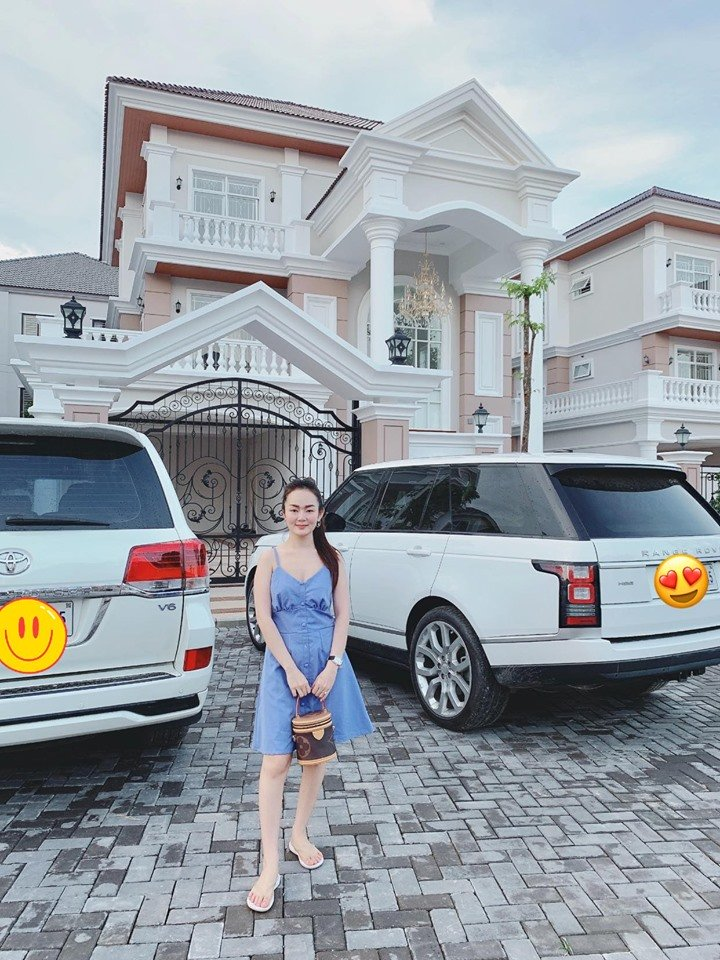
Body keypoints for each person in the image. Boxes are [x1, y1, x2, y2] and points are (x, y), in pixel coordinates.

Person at [247, 477, 374, 912]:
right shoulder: (269, 558)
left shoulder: (333, 558)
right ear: (283, 512)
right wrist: (289, 668)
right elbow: (264, 619)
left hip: (324, 667)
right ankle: (269, 863)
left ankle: (299, 833)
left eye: (309, 509)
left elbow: (343, 615)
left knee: (315, 754)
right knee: (276, 761)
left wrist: (332, 666)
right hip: (283, 667)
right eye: (294, 509)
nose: (301, 516)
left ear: (320, 515)